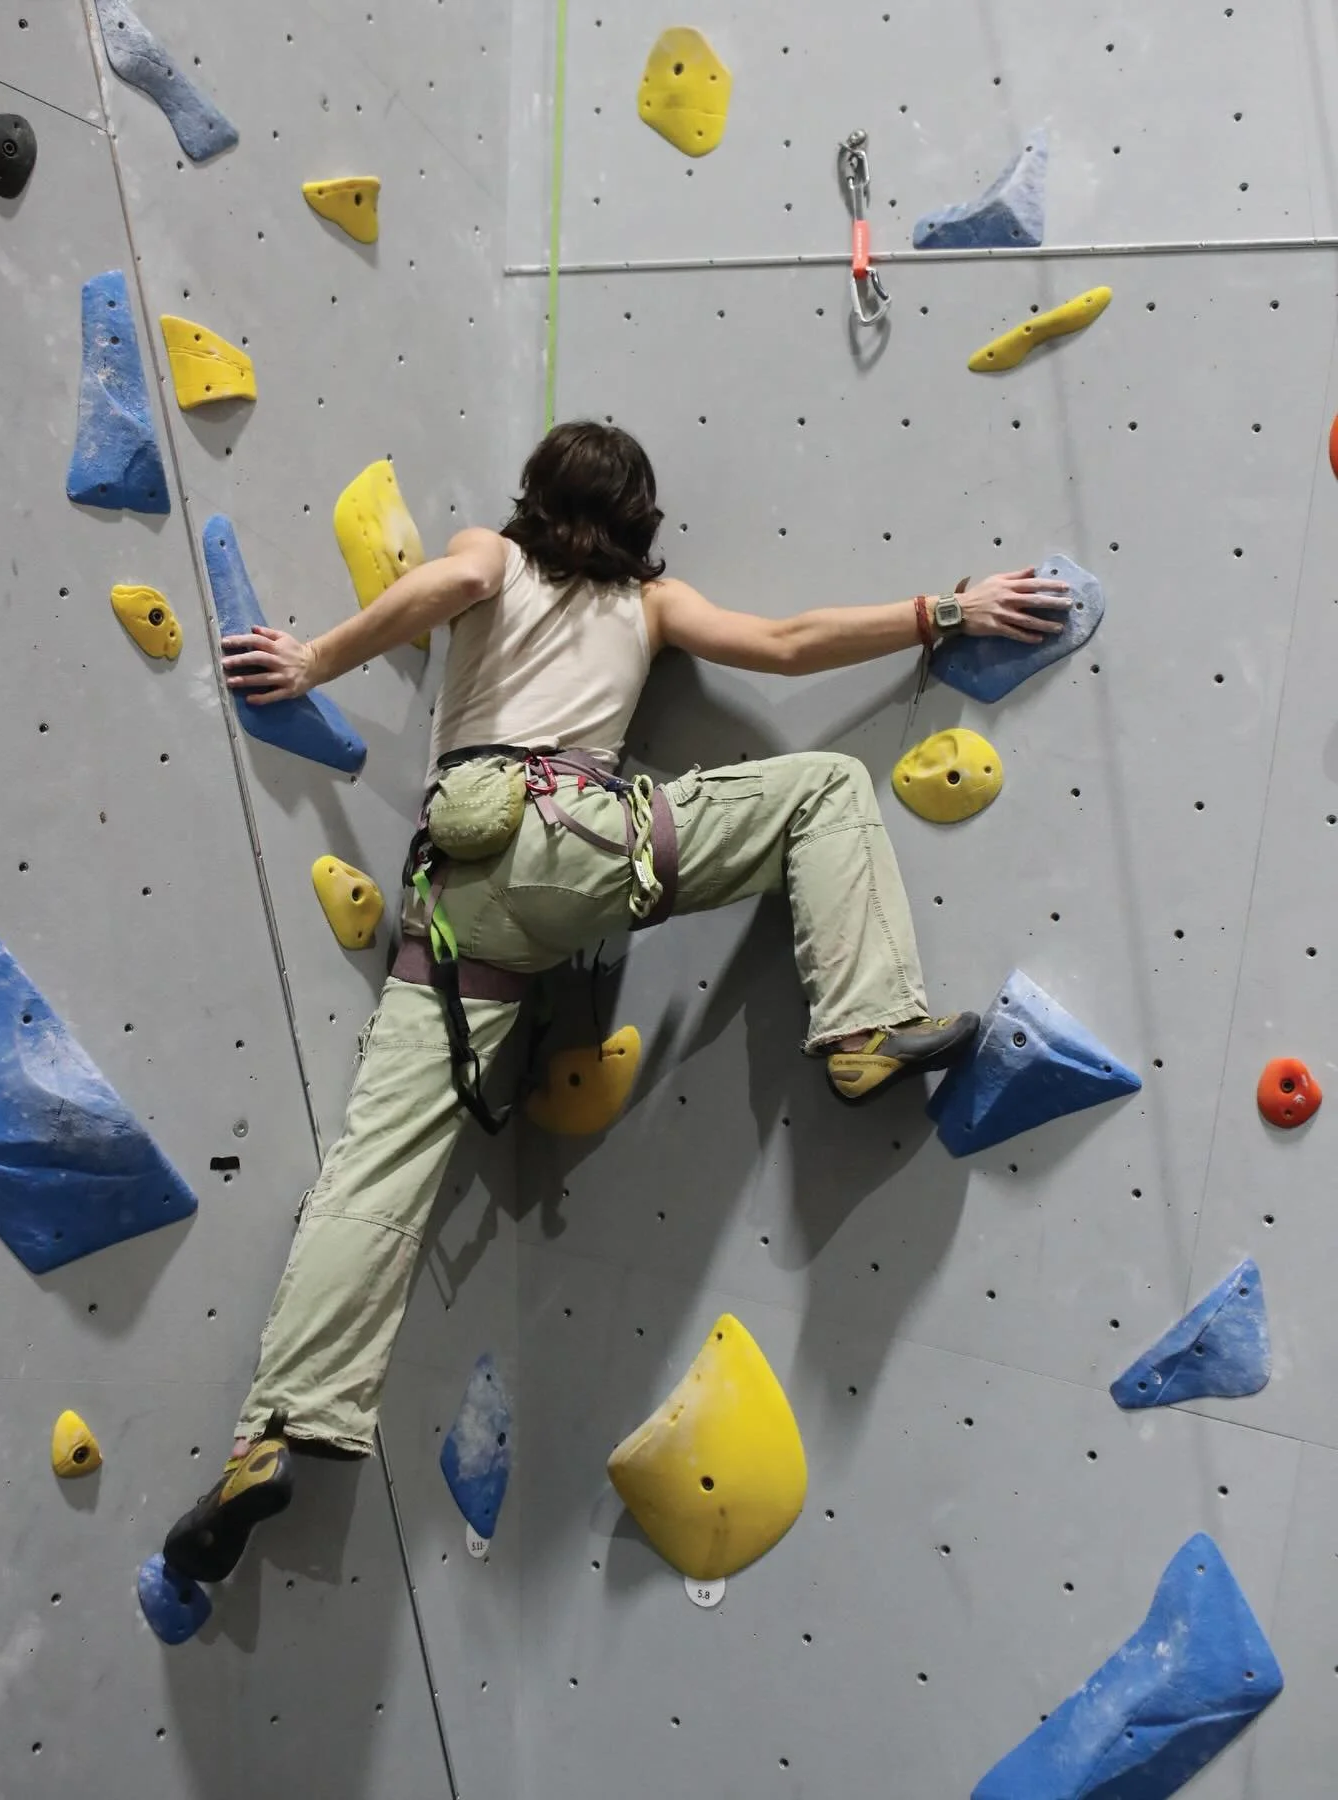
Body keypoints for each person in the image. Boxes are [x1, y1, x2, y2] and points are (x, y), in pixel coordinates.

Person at [162, 420, 1069, 1583]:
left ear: (534, 495)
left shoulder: (495, 553)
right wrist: (946, 612)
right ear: (643, 516)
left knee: (374, 1170)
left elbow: (439, 586)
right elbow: (786, 644)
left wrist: (312, 662)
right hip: (586, 858)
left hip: (461, 903)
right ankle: (861, 1030)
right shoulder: (649, 605)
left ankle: (275, 1431)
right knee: (827, 789)